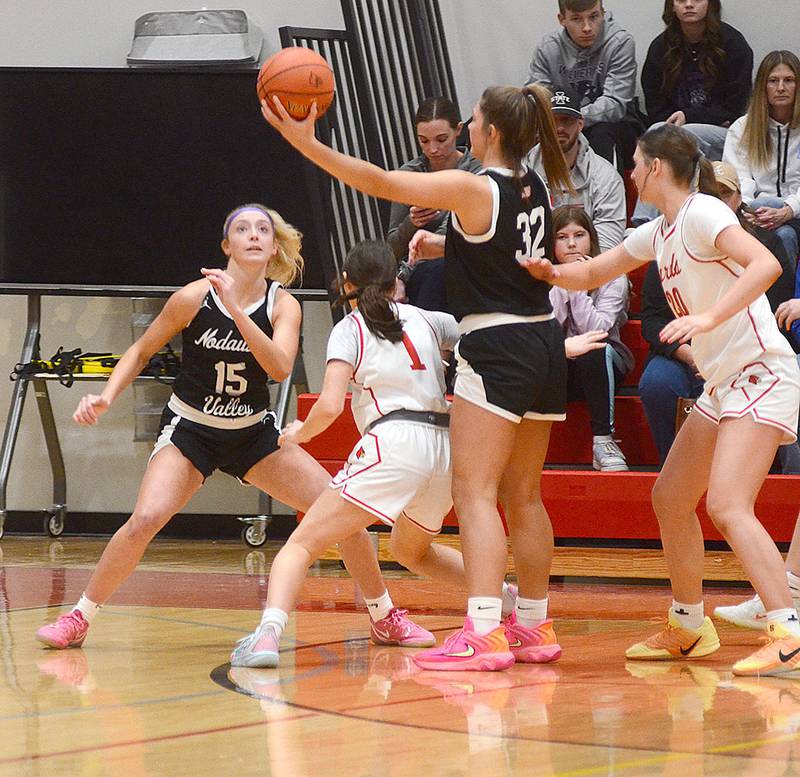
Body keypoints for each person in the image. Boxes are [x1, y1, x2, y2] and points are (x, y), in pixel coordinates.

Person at [261, 82, 573, 671]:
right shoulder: (535, 188)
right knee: (525, 496)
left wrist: (305, 143)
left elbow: (381, 181)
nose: (465, 130)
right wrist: (445, 248)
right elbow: (500, 252)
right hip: (543, 339)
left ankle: (483, 630)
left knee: (476, 493)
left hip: (498, 343)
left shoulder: (473, 184)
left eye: (473, 121)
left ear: (492, 133)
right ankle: (533, 623)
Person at [35, 205, 428, 651]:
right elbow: (141, 350)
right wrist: (106, 395)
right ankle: (79, 616)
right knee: (145, 517)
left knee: (343, 515)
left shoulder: (284, 304)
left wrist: (238, 314)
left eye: (263, 229)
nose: (254, 236)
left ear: (274, 245)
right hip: (191, 431)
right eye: (242, 229)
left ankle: (384, 616)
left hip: (252, 434)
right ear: (227, 246)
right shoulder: (191, 297)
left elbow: (280, 368)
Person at [521, 124, 800, 677]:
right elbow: (598, 270)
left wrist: (708, 318)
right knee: (671, 498)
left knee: (726, 503)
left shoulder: (703, 213)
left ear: (654, 167)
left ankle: (789, 630)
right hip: (725, 383)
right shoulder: (661, 230)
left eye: (633, 164)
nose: (627, 174)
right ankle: (690, 625)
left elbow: (767, 265)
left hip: (762, 371)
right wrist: (548, 271)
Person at [231, 241, 513, 667]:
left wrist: (298, 433)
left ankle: (267, 637)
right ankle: (503, 601)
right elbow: (488, 339)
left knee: (300, 545)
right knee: (411, 551)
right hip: (444, 448)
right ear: (396, 281)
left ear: (347, 283)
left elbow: (329, 405)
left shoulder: (350, 329)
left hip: (396, 442)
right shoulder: (427, 319)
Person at [638, 160, 799, 466]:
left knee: (726, 505)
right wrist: (688, 353)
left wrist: (708, 320)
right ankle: (666, 461)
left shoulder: (763, 244)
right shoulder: (668, 239)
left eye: (723, 194)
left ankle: (774, 476)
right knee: (657, 383)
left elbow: (774, 305)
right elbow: (652, 319)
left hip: (746, 361)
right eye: (708, 194)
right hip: (687, 354)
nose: (716, 202)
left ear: (739, 199)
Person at [549, 206, 633, 470]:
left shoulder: (612, 276)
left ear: (591, 239)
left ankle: (603, 441)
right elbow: (546, 330)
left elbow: (597, 329)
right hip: (558, 363)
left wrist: (576, 288)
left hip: (603, 364)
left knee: (593, 346)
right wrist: (560, 282)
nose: (572, 244)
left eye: (579, 235)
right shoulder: (541, 276)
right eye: (562, 237)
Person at [386, 97, 481, 312]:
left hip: (465, 265)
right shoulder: (408, 174)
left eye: (441, 139)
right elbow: (391, 248)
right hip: (414, 270)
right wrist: (411, 223)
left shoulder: (476, 171)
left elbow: (449, 231)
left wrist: (402, 275)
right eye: (424, 141)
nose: (433, 149)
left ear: (458, 130)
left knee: (438, 270)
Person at [527, 0, 641, 174]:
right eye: (577, 19)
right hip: (562, 122)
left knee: (602, 133)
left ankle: (608, 197)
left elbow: (615, 104)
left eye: (594, 17)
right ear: (561, 19)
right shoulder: (548, 48)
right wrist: (558, 122)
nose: (587, 27)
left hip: (615, 125)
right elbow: (535, 97)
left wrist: (573, 120)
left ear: (603, 13)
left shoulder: (619, 42)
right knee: (525, 129)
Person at [641, 0, 753, 162]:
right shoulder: (661, 47)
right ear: (671, 5)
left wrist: (689, 115)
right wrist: (674, 121)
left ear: (711, 4)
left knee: (686, 134)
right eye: (681, 0)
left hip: (722, 132)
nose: (688, 4)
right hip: (673, 130)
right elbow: (655, 104)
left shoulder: (733, 44)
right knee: (654, 132)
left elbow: (735, 106)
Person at [723, 50, 800, 263]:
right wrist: (745, 210)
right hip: (759, 214)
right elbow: (738, 180)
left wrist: (788, 210)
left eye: (789, 80)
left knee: (782, 227)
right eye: (773, 81)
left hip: (797, 212)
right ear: (762, 87)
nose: (781, 88)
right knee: (782, 233)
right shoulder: (743, 128)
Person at [528, 90, 627, 252]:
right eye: (552, 121)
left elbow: (608, 243)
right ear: (541, 125)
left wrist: (576, 269)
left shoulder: (605, 176)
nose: (559, 128)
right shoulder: (523, 173)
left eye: (567, 120)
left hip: (592, 264)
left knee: (618, 277)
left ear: (580, 124)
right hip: (539, 263)